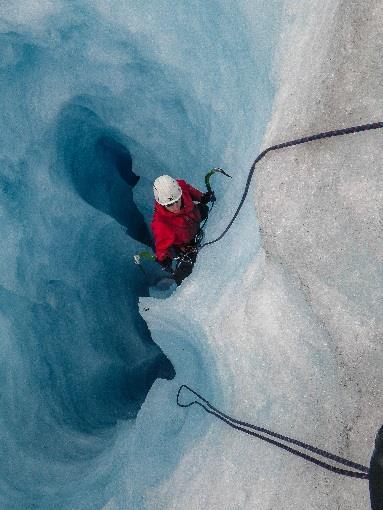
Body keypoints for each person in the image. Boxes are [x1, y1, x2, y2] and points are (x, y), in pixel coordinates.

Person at [151, 175, 214, 285]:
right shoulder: (161, 224)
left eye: (177, 200)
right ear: (162, 203)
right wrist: (164, 259)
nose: (175, 206)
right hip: (185, 244)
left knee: (204, 209)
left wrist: (201, 197)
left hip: (195, 218)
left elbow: (189, 190)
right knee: (185, 270)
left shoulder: (180, 188)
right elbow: (162, 247)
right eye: (170, 204)